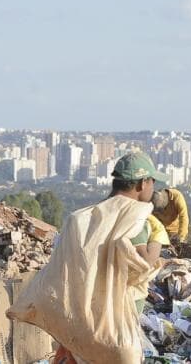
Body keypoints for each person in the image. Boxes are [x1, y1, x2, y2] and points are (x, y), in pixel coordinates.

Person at [50, 151, 169, 364]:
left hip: (82, 317)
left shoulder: (85, 217)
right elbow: (144, 264)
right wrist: (158, 237)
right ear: (142, 184)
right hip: (115, 322)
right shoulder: (134, 218)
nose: (153, 188)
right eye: (152, 182)